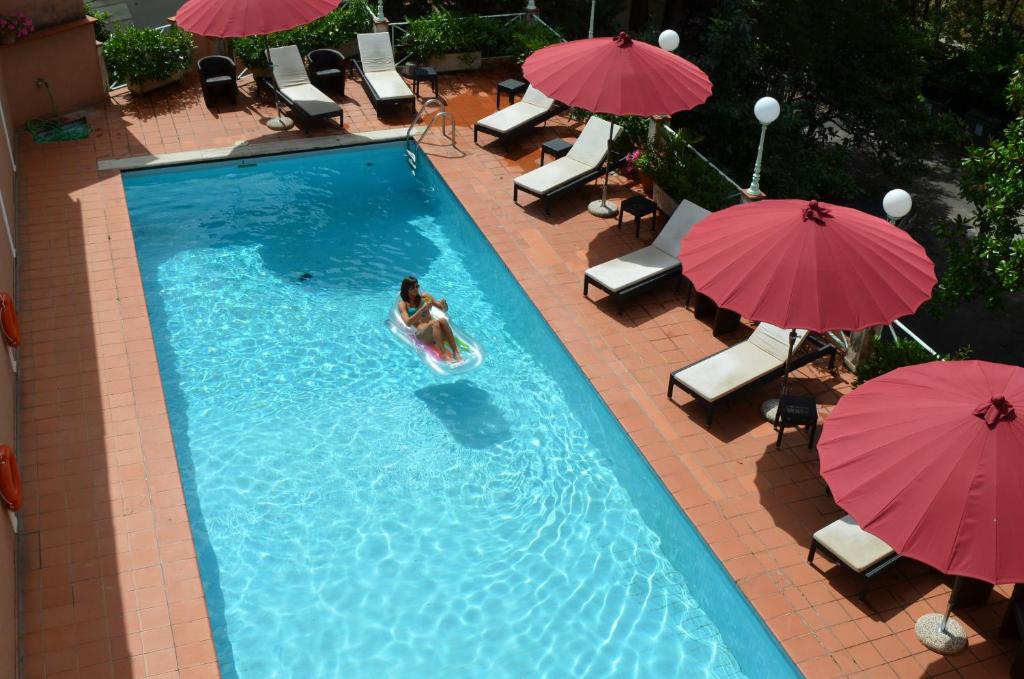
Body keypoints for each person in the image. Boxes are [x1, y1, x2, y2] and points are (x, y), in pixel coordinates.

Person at [398, 276, 462, 362]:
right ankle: (444, 354)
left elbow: (441, 307)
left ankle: (456, 352)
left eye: (417, 286)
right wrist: (422, 309)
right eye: (413, 287)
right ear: (406, 290)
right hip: (423, 335)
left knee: (443, 320)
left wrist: (444, 304)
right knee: (434, 323)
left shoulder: (425, 297)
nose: (416, 289)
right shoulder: (404, 304)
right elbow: (408, 322)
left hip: (436, 330)